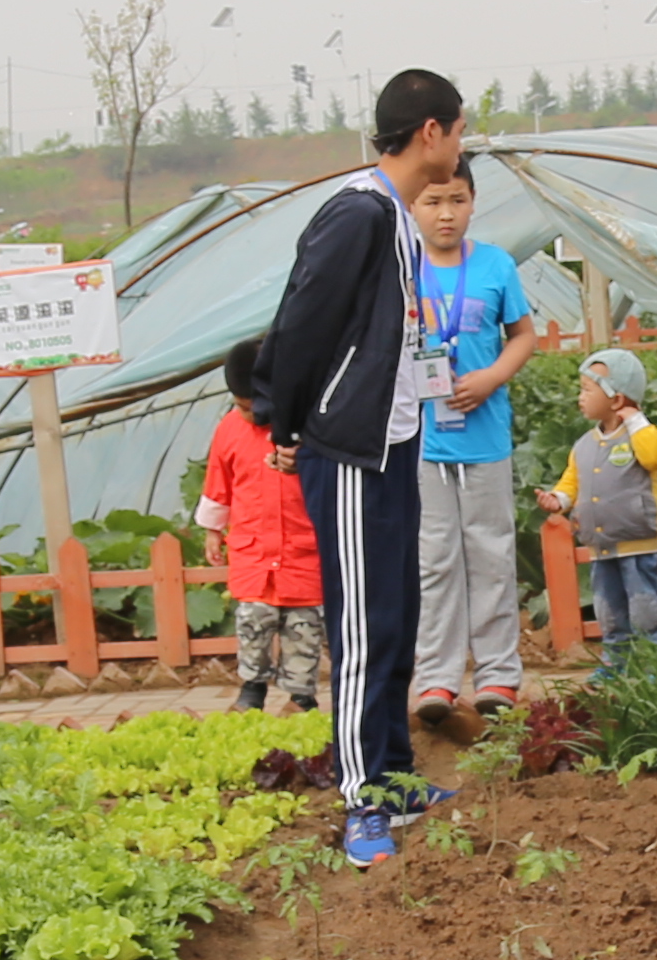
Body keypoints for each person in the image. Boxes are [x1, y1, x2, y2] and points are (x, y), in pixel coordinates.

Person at [253, 68, 468, 856]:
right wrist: (282, 415)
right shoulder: (358, 214)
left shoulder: (397, 217)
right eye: (459, 130)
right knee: (361, 622)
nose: (461, 146)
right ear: (430, 133)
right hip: (346, 446)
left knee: (395, 612)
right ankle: (359, 796)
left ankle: (394, 769)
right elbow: (302, 316)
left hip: (391, 436)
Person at [404, 170, 547, 722]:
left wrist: (491, 378)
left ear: (472, 203)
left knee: (491, 553)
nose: (445, 213)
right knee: (434, 561)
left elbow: (524, 335)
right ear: (412, 206)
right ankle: (436, 678)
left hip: (485, 438)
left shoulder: (495, 266)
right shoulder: (400, 270)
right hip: (420, 442)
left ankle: (497, 677)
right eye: (432, 201)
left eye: (457, 201)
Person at [199, 340, 326, 714]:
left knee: (302, 627)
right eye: (241, 407)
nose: (249, 415)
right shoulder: (229, 429)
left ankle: (301, 694)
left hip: (302, 550)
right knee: (254, 622)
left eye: (256, 407)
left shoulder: (307, 425)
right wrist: (212, 529)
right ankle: (252, 686)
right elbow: (217, 480)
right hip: (253, 550)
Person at [547, 348, 657, 653]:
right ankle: (616, 662)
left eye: (586, 390)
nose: (580, 397)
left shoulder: (642, 436)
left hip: (639, 543)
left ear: (616, 399)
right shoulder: (584, 445)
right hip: (601, 545)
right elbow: (573, 480)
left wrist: (636, 421)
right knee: (608, 609)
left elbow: (655, 457)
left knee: (646, 607)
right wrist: (558, 499)